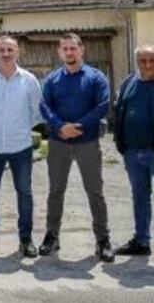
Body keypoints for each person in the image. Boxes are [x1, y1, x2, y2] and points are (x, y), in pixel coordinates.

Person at [38, 33, 114, 262]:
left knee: (95, 192)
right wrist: (60, 126)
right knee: (55, 191)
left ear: (82, 50)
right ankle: (52, 236)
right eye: (65, 48)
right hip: (59, 142)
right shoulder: (52, 79)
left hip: (87, 142)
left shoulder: (96, 77)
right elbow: (44, 106)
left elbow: (103, 105)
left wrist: (79, 125)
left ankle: (103, 240)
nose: (69, 52)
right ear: (60, 52)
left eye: (73, 48)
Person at [0, 35, 43, 258]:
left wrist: (19, 129)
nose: (6, 54)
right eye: (2, 50)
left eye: (10, 50)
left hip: (20, 147)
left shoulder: (29, 80)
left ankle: (26, 239)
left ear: (17, 52)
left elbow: (36, 112)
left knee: (24, 194)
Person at [113, 43, 154, 256]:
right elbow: (120, 109)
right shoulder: (129, 82)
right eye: (143, 60)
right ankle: (141, 241)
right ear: (137, 61)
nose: (147, 65)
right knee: (140, 197)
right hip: (132, 151)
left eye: (151, 60)